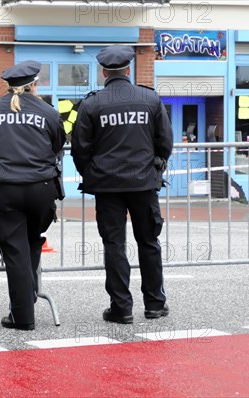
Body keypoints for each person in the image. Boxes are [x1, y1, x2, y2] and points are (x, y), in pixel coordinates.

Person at [70, 45, 173, 324]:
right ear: (128, 70)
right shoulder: (149, 99)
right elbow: (165, 141)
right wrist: (156, 164)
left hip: (107, 186)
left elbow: (79, 147)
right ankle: (154, 304)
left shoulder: (92, 103)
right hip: (143, 184)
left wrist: (91, 173)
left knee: (114, 245)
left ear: (104, 72)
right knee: (149, 242)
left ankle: (121, 308)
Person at [0, 61, 66, 330]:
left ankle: (23, 316)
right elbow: (58, 143)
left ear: (9, 86)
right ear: (34, 84)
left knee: (15, 249)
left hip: (4, 188)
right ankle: (27, 298)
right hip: (41, 189)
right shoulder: (48, 111)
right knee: (31, 242)